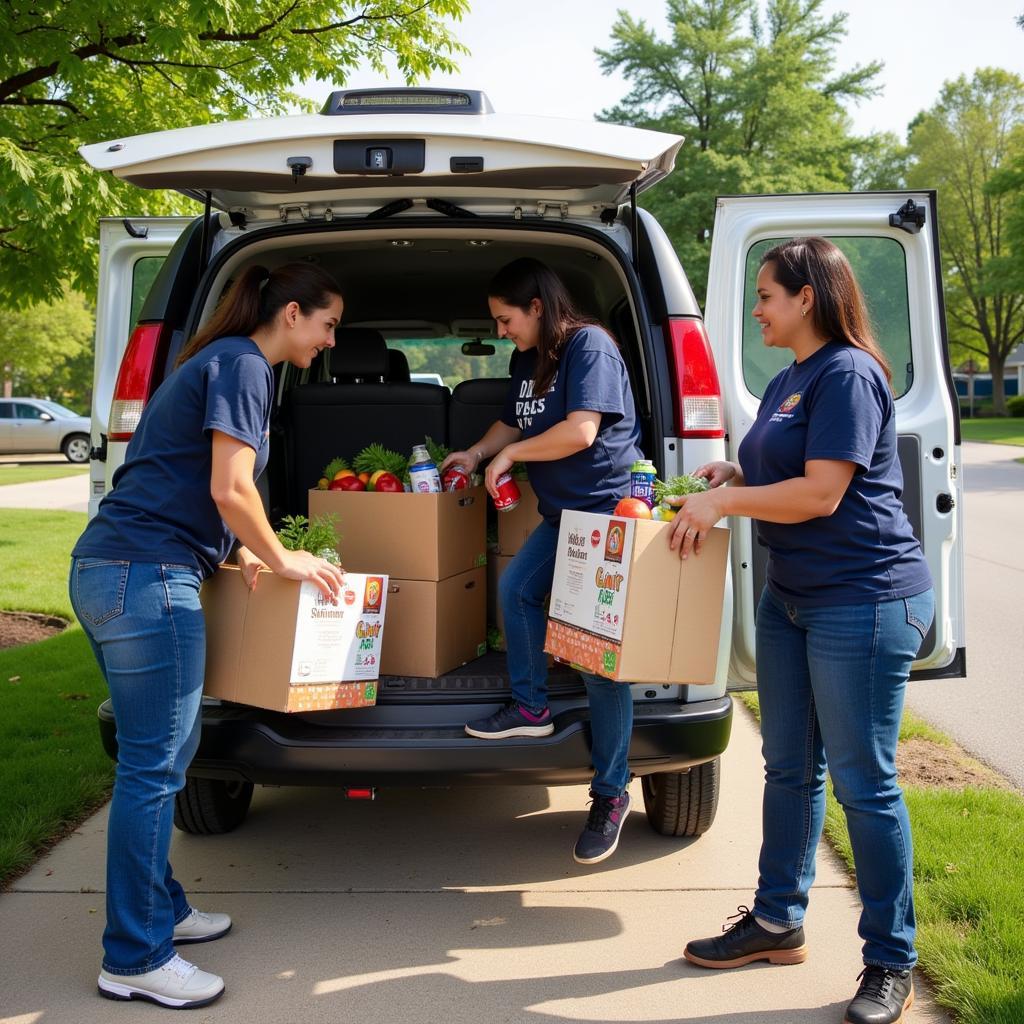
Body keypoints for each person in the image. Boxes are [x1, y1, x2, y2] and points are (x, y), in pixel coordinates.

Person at [667, 238, 933, 1024]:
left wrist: (722, 506)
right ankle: (777, 919)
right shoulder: (791, 378)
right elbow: (788, 468)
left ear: (807, 297)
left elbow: (821, 493)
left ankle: (892, 961)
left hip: (864, 599)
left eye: (767, 295)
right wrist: (736, 477)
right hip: (791, 600)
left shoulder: (849, 372)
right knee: (789, 769)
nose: (757, 309)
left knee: (864, 785)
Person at [69, 262, 346, 1009]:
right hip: (146, 581)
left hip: (122, 571)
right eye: (326, 325)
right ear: (292, 313)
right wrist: (282, 554)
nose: (328, 341)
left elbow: (179, 481)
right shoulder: (245, 366)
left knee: (170, 755)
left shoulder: (220, 362)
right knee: (154, 770)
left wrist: (242, 551)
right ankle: (133, 956)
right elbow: (230, 487)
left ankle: (160, 912)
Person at [442, 257, 644, 866]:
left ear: (537, 307)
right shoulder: (529, 360)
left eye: (506, 319)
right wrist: (479, 452)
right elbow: (515, 418)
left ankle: (611, 793)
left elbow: (581, 432)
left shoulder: (592, 347)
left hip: (608, 517)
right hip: (565, 517)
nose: (501, 331)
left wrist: (513, 460)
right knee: (519, 592)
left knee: (598, 660)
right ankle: (530, 707)